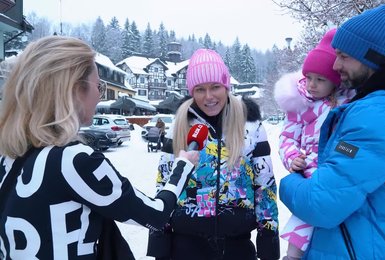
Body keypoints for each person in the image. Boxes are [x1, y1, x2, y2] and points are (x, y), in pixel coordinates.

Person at [0, 36, 199, 259]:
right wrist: (182, 165)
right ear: (75, 90)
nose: (99, 95)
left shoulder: (7, 159)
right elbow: (156, 214)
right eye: (98, 86)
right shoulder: (74, 160)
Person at [279, 4, 385, 259]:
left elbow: (321, 204)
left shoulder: (375, 117)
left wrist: (288, 182)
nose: (335, 65)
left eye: (344, 56)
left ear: (371, 57)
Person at [147, 49, 280, 260]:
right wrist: (159, 244)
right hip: (185, 247)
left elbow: (265, 186)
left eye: (215, 87)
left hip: (237, 247)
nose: (208, 96)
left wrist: (268, 244)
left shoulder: (251, 124)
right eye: (200, 89)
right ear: (192, 91)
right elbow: (164, 183)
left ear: (226, 86)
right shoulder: (179, 126)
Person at [274, 28, 354, 260]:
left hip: (333, 165)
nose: (312, 85)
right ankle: (292, 256)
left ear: (335, 82)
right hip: (308, 168)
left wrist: (342, 153)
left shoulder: (345, 104)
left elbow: (351, 143)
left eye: (320, 80)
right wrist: (291, 157)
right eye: (309, 77)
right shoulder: (300, 104)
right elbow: (287, 137)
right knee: (304, 216)